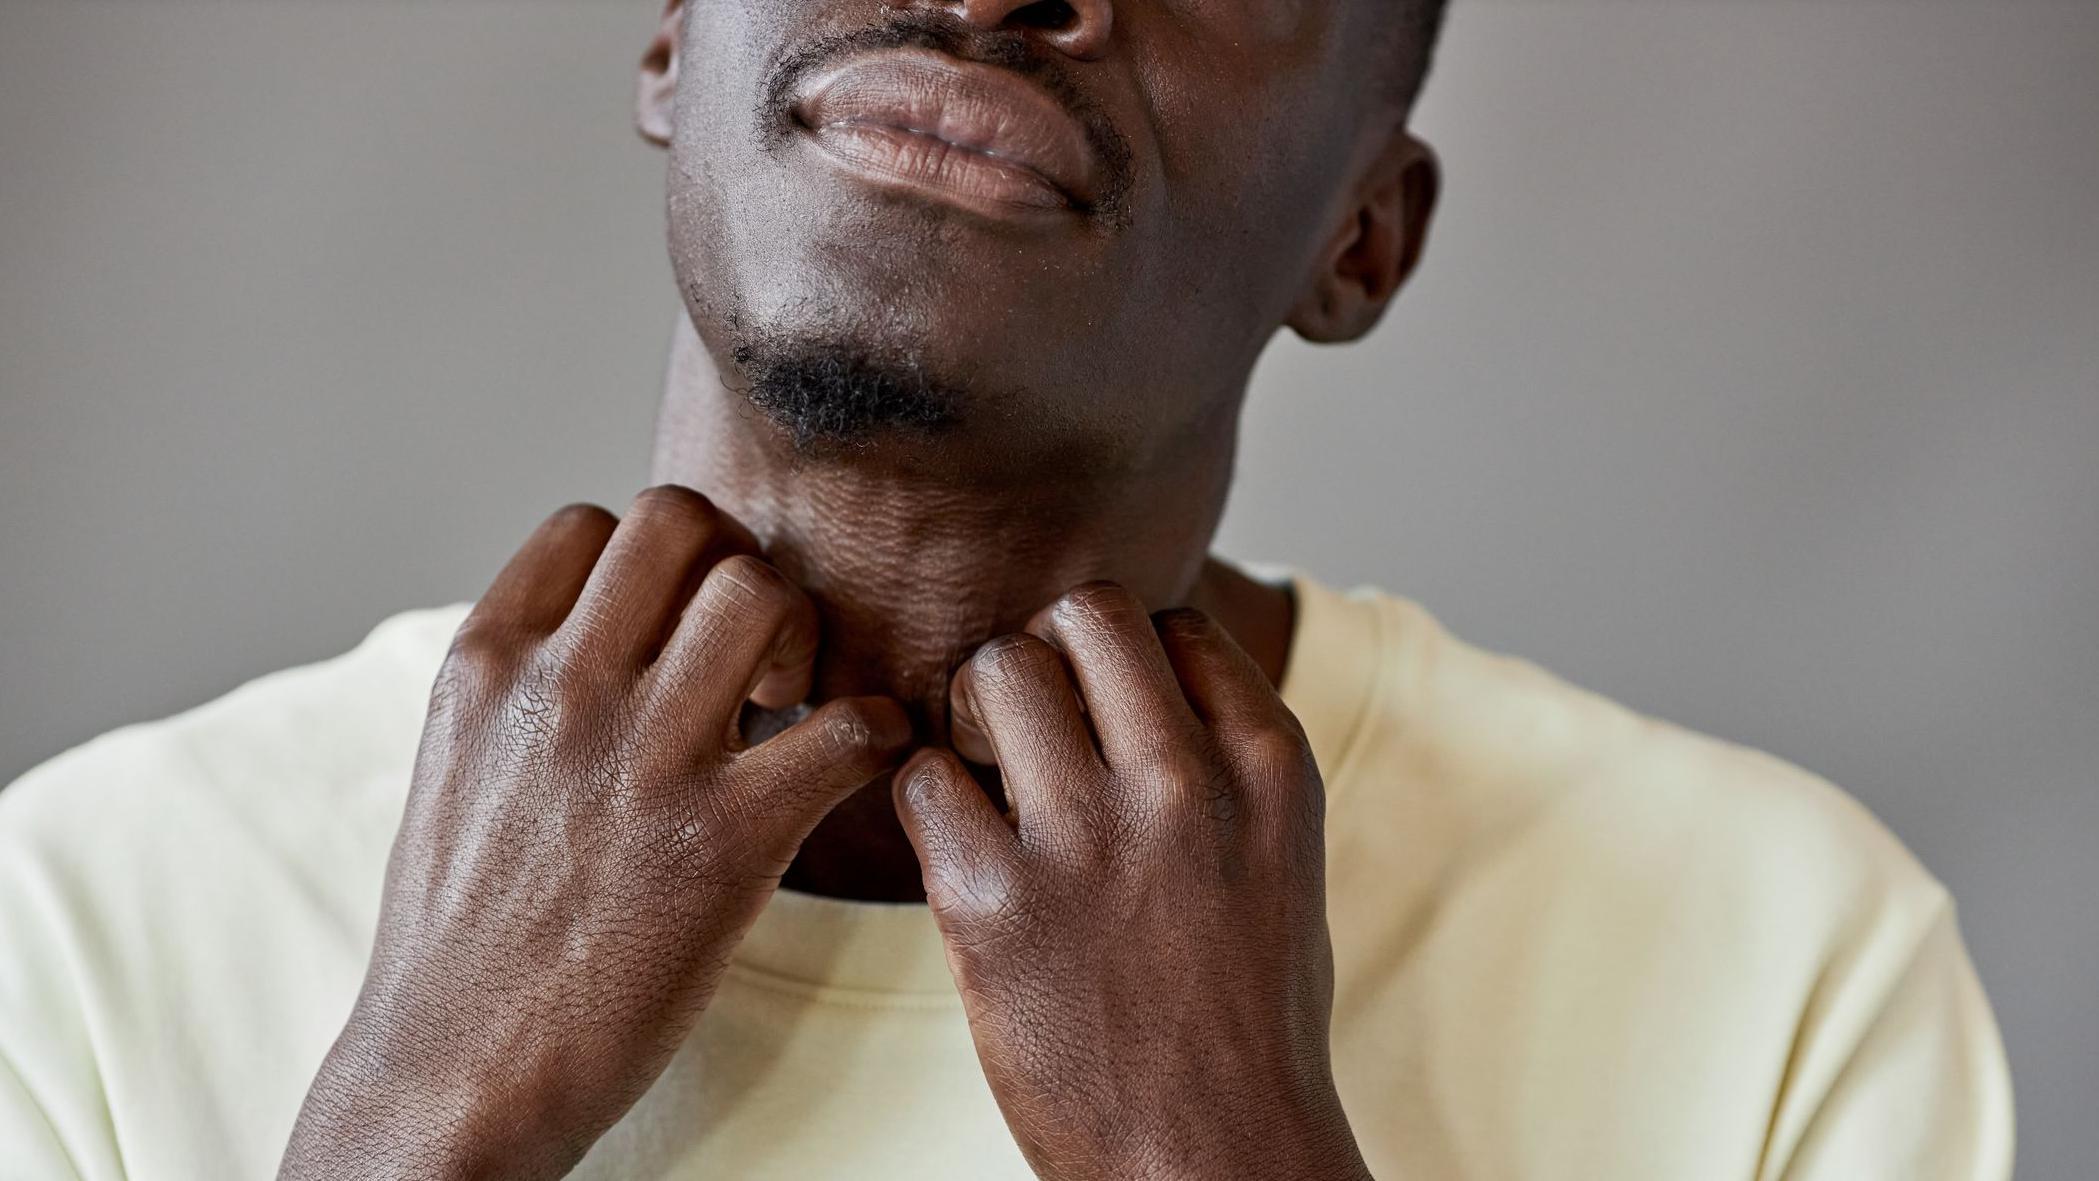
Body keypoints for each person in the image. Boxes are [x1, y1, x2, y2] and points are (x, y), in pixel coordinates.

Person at [0, 2, 2013, 1178]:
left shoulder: (1778, 963)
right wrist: (418, 1114)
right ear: (675, 36)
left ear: (1364, 239)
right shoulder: (77, 922)